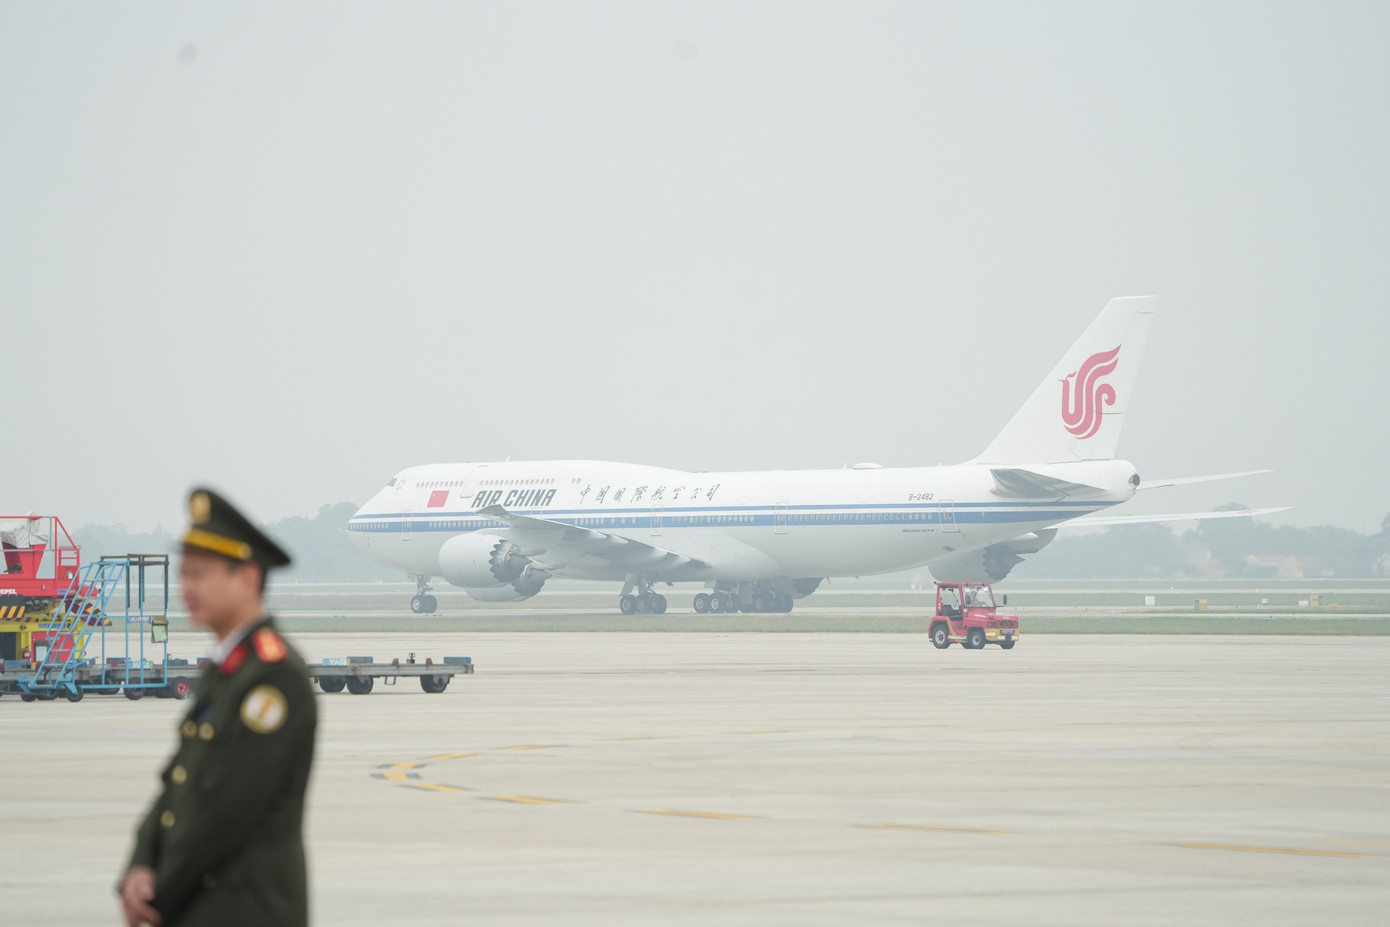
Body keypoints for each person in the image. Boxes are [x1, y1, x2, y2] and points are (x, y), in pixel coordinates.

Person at [118, 488, 316, 927]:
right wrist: (138, 864)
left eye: (199, 574)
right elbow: (178, 780)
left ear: (247, 578)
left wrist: (159, 895)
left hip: (245, 910)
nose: (186, 588)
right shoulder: (226, 667)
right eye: (183, 574)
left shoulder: (273, 677)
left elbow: (227, 809)